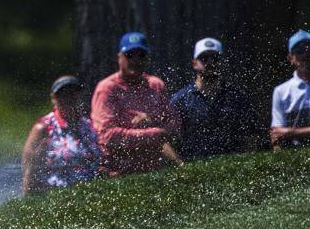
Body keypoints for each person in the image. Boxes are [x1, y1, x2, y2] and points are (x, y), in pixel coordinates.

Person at [90, 32, 182, 177]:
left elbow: (175, 127)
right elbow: (106, 137)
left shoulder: (156, 85)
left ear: (147, 58)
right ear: (119, 58)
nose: (136, 60)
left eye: (141, 55)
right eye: (130, 55)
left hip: (156, 171)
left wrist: (152, 122)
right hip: (118, 174)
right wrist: (154, 133)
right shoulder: (107, 89)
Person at [171, 38, 264, 160]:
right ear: (194, 63)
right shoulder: (181, 99)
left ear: (222, 62)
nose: (210, 62)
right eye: (204, 58)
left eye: (215, 58)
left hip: (230, 166)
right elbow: (169, 138)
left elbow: (250, 137)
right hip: (194, 167)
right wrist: (182, 167)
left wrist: (245, 164)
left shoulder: (236, 98)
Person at [21, 76, 100, 196]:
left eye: (73, 94)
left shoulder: (88, 126)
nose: (68, 99)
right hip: (54, 195)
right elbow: (29, 169)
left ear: (79, 96)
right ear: (53, 98)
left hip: (88, 193)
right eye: (63, 95)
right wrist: (28, 197)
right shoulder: (43, 128)